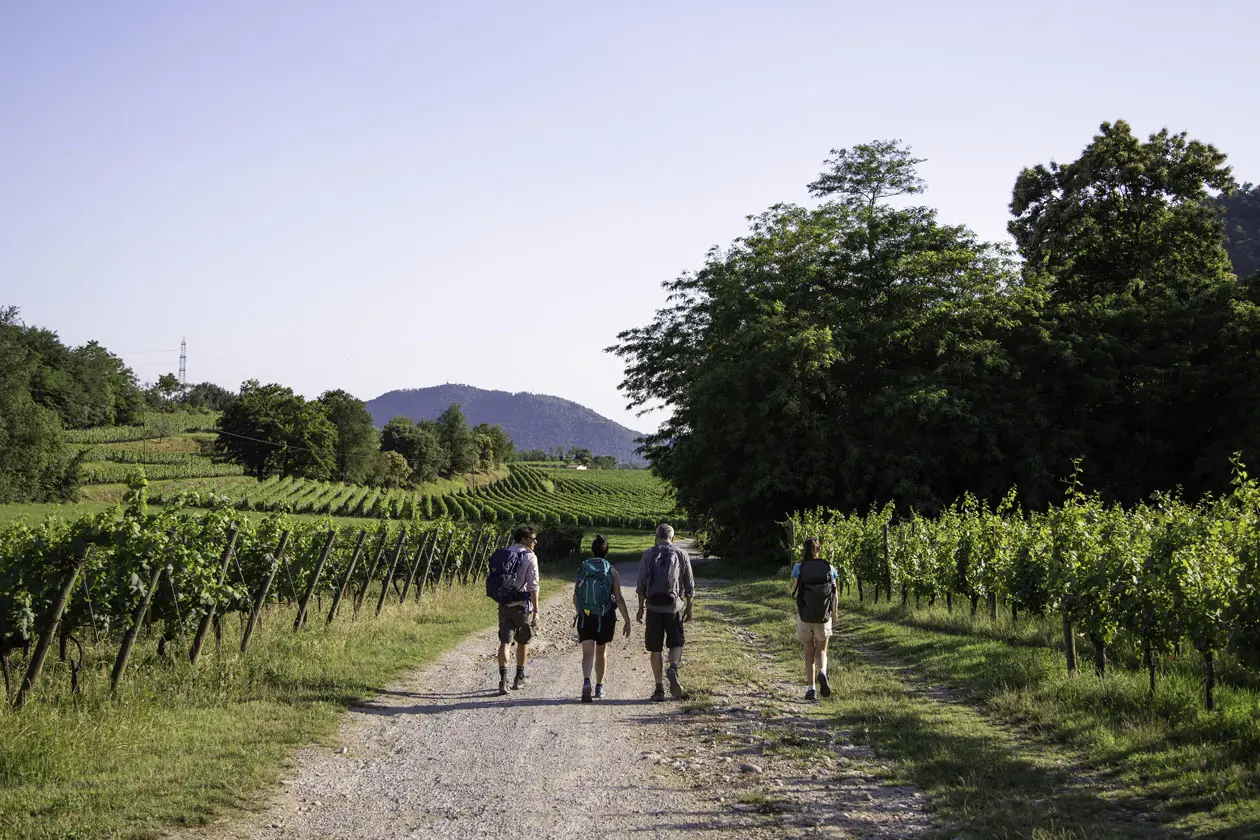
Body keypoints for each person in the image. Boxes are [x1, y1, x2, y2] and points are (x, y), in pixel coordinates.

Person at [635, 523, 695, 701]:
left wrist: (640, 608)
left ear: (656, 537)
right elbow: (689, 585)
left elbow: (641, 586)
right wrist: (689, 607)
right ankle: (673, 668)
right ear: (672, 538)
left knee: (655, 649)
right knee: (676, 643)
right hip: (673, 607)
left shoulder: (647, 554)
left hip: (653, 607)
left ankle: (659, 689)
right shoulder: (681, 554)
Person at [573, 534, 632, 702]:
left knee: (587, 654)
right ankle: (599, 687)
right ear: (607, 551)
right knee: (601, 651)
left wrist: (581, 611)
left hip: (586, 616)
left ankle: (586, 682)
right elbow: (619, 598)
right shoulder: (611, 571)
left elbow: (576, 596)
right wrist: (627, 620)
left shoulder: (584, 569)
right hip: (605, 616)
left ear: (592, 550)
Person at [494, 524, 541, 695]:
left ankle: (502, 680)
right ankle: (519, 677)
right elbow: (533, 585)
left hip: (504, 604)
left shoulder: (507, 553)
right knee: (523, 641)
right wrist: (536, 611)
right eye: (533, 539)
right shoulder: (530, 557)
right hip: (521, 606)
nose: (535, 542)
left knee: (505, 641)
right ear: (524, 539)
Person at [792, 536, 839, 701]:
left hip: (805, 615)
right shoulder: (829, 567)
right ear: (818, 549)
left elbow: (796, 592)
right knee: (821, 650)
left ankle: (811, 689)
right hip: (824, 615)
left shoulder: (799, 568)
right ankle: (822, 672)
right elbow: (834, 593)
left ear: (804, 550)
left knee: (808, 651)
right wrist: (834, 613)